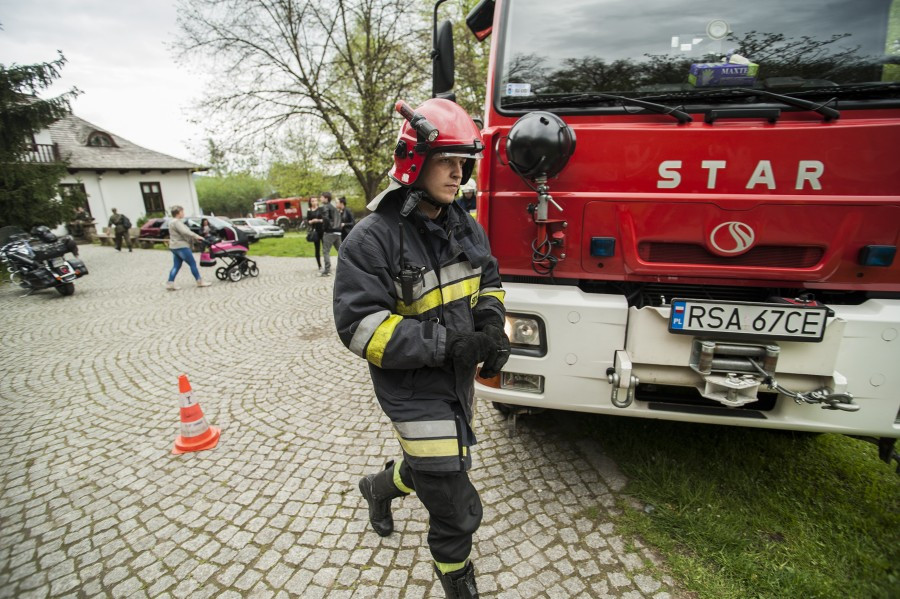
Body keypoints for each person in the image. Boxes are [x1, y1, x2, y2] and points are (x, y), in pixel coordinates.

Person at [333, 98, 509, 599]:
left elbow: (489, 281)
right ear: (414, 161)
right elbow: (360, 327)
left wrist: (491, 328)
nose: (459, 173)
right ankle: (458, 583)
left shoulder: (462, 223)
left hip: (454, 381)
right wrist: (450, 344)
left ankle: (377, 487)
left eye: (464, 162)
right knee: (454, 503)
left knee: (436, 465)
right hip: (410, 388)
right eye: (447, 161)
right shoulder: (371, 239)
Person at [166, 205, 211, 290]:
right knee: (192, 263)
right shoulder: (177, 222)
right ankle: (199, 281)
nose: (183, 213)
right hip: (181, 246)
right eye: (182, 212)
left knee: (176, 265)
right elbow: (185, 232)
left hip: (174, 246)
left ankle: (170, 283)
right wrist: (198, 236)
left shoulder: (171, 222)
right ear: (178, 213)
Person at [318, 191, 341, 277]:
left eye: (321, 197)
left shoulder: (325, 207)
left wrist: (325, 228)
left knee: (325, 251)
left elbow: (326, 219)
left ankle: (327, 270)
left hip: (329, 232)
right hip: (338, 232)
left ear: (326, 198)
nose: (320, 199)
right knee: (341, 251)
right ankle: (349, 267)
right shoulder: (333, 207)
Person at [305, 197, 325, 271]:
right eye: (312, 201)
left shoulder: (321, 209)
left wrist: (318, 220)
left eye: (315, 200)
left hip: (322, 230)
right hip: (315, 232)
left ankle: (326, 264)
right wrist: (312, 221)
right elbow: (307, 221)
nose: (314, 202)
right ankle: (319, 266)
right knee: (317, 249)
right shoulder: (309, 210)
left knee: (325, 249)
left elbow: (324, 219)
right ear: (310, 202)